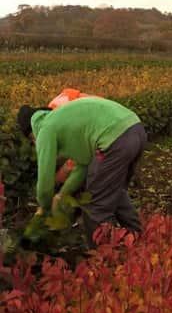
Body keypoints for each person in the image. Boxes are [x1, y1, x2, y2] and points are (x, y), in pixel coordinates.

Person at [17, 98, 147, 249]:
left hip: (115, 139)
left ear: (31, 135)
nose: (35, 144)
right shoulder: (61, 119)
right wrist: (62, 194)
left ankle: (103, 259)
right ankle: (138, 239)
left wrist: (44, 207)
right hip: (136, 129)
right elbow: (83, 166)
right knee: (113, 190)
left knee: (95, 206)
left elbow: (45, 181)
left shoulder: (45, 129)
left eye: (32, 142)